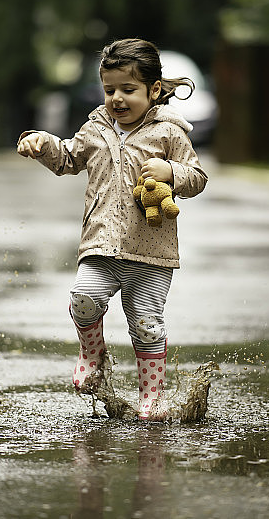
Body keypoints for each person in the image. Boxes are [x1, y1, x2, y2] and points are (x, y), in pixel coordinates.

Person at [17, 38, 208, 420]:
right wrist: (41, 143)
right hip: (100, 244)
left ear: (154, 91)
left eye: (128, 89)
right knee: (83, 299)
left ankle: (150, 396)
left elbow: (197, 177)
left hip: (151, 253)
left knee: (147, 326)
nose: (117, 98)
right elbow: (69, 158)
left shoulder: (169, 133)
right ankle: (93, 355)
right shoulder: (96, 129)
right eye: (109, 90)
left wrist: (172, 172)